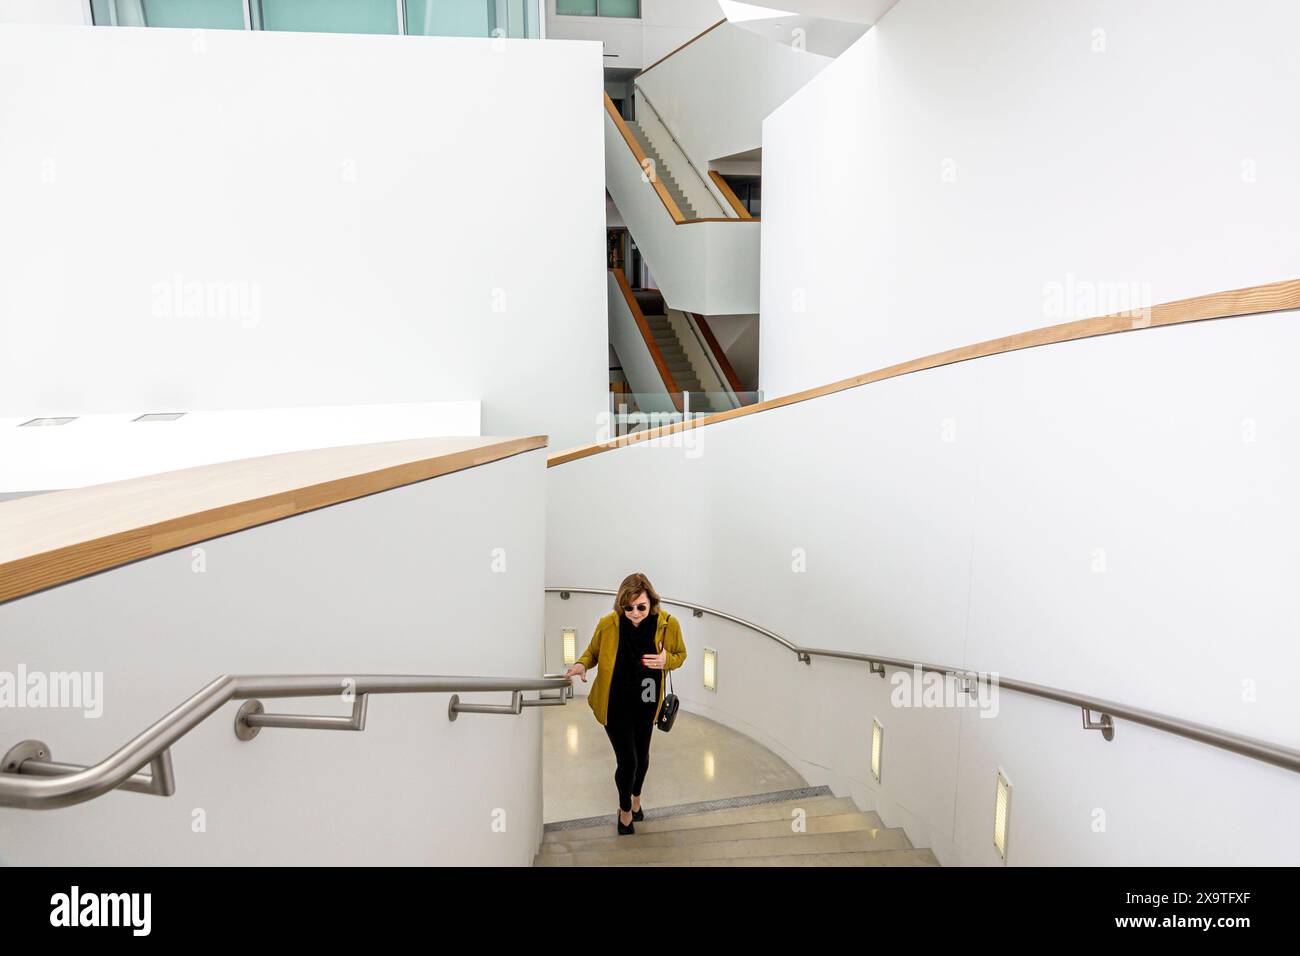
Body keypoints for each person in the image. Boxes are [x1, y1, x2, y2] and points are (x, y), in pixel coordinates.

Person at [563, 572, 687, 835]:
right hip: (615, 701)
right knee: (628, 762)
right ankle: (625, 811)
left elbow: (680, 655)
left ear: (651, 602)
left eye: (641, 607)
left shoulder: (668, 624)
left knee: (642, 759)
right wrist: (581, 664)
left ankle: (636, 799)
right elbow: (593, 652)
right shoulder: (609, 623)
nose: (634, 613)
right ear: (621, 605)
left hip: (647, 699)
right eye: (628, 607)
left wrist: (668, 661)